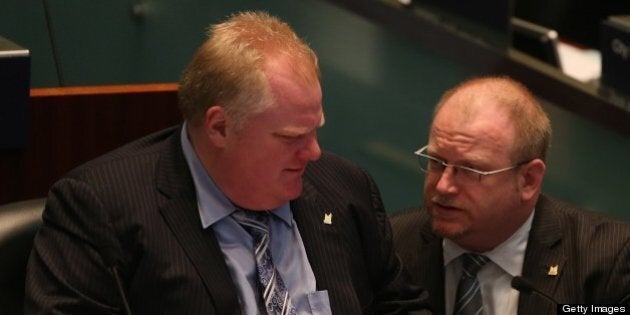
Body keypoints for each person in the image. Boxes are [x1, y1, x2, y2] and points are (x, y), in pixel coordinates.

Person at [24, 11, 431, 314]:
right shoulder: (101, 210)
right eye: (291, 137)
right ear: (219, 127)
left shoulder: (344, 188)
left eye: (316, 130)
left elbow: (401, 307)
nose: (314, 153)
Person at [390, 75, 630, 314]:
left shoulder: (609, 260)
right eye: (436, 162)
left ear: (528, 180)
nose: (443, 186)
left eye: (470, 171)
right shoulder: (389, 245)